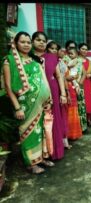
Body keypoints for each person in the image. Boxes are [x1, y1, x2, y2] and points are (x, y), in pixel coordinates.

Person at [3, 31, 52, 174]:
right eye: (22, 42)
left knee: (40, 132)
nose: (26, 45)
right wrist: (17, 108)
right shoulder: (9, 60)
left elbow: (44, 81)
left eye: (28, 42)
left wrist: (48, 99)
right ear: (16, 44)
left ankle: (41, 158)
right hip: (25, 106)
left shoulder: (34, 61)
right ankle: (31, 163)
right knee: (28, 133)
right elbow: (8, 86)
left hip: (41, 105)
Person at [32, 32, 67, 162]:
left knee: (53, 122)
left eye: (43, 40)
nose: (41, 42)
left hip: (53, 92)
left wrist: (62, 93)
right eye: (37, 40)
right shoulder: (28, 58)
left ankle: (54, 152)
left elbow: (59, 76)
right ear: (32, 41)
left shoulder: (52, 57)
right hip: (35, 95)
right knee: (38, 124)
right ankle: (39, 155)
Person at [65, 48, 83, 140]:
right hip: (69, 84)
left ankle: (74, 133)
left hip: (73, 81)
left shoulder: (76, 61)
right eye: (69, 54)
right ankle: (68, 133)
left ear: (76, 54)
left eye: (72, 54)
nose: (69, 55)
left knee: (74, 109)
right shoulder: (70, 61)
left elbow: (69, 66)